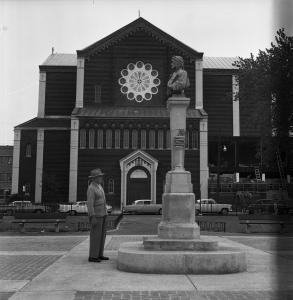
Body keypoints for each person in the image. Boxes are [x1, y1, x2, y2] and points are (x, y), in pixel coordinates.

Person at [86, 168, 109, 263]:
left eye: (101, 176)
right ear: (94, 178)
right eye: (99, 176)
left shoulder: (99, 186)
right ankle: (93, 256)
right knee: (96, 235)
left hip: (103, 214)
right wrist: (92, 216)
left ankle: (99, 254)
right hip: (97, 215)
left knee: (102, 236)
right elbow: (90, 204)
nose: (101, 178)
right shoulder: (91, 188)